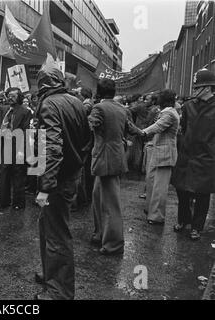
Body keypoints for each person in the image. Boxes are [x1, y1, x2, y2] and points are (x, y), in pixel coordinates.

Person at [34, 63, 92, 300]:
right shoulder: (75, 101)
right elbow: (87, 139)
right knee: (47, 227)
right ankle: (51, 274)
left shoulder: (49, 104)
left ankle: (59, 292)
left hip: (57, 179)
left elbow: (53, 148)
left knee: (57, 234)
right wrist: (77, 164)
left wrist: (45, 188)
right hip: (68, 175)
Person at [89, 79, 142, 256]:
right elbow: (132, 129)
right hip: (115, 156)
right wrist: (144, 133)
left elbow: (91, 125)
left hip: (105, 158)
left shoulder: (99, 108)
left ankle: (114, 244)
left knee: (110, 204)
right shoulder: (121, 108)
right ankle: (100, 233)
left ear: (99, 91)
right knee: (97, 198)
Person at [172, 69, 215, 240]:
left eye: (198, 87)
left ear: (208, 87)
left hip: (206, 158)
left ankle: (197, 227)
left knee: (202, 195)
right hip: (186, 156)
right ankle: (183, 220)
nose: (195, 90)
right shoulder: (188, 106)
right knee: (181, 190)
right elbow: (182, 128)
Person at [141, 90, 180, 225]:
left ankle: (157, 216)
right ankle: (151, 210)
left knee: (159, 187)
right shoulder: (168, 111)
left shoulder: (169, 113)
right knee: (152, 182)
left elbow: (157, 127)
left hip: (165, 153)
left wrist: (142, 132)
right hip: (161, 151)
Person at [0, 87, 32, 211]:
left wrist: (22, 150)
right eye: (9, 95)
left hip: (17, 146)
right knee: (4, 173)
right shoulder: (4, 109)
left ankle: (18, 202)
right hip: (4, 145)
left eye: (13, 96)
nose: (10, 98)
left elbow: (26, 131)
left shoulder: (25, 111)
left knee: (18, 175)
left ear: (19, 97)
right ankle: (3, 201)